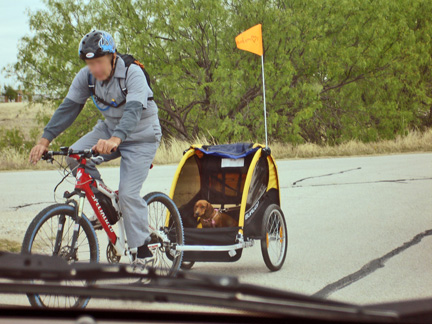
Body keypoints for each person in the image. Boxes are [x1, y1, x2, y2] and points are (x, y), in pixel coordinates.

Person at [29, 30, 162, 269]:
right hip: (109, 130)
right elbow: (68, 108)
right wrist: (44, 140)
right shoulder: (86, 77)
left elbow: (132, 111)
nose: (95, 69)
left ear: (112, 57)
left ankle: (142, 250)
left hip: (142, 136)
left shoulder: (133, 73)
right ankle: (107, 207)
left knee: (129, 194)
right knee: (75, 156)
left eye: (99, 62)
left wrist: (116, 138)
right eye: (90, 63)